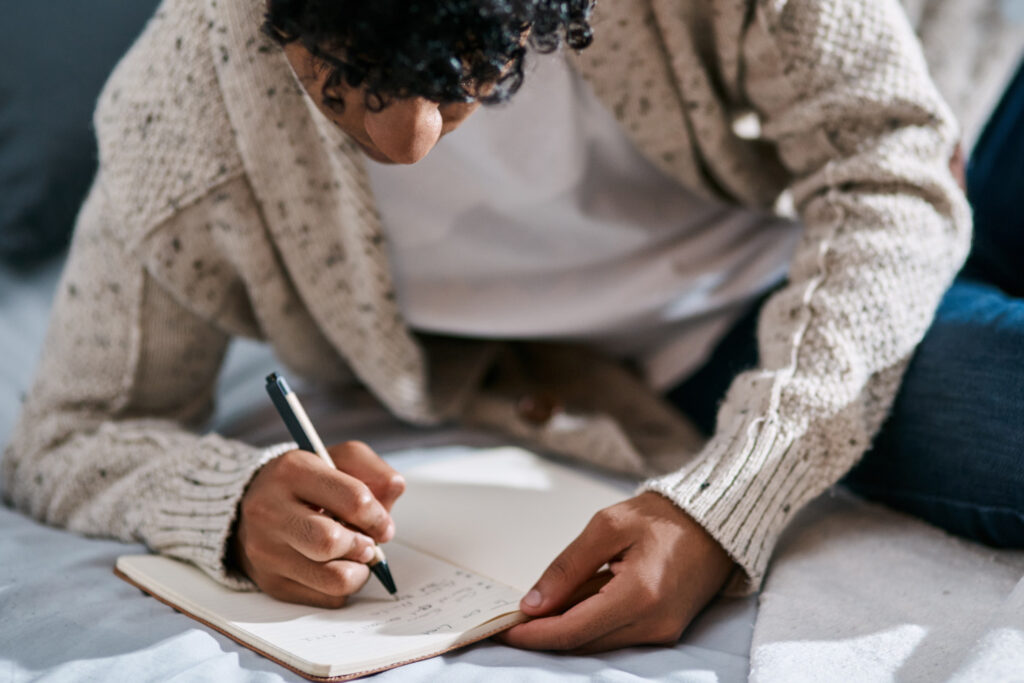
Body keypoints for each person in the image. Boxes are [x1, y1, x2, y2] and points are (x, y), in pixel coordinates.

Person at [4, 0, 1019, 654]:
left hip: (954, 119)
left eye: (464, 78)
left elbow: (889, 162)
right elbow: (63, 434)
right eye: (337, 78)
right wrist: (228, 502)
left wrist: (729, 498)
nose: (405, 139)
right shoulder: (179, 119)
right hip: (726, 323)